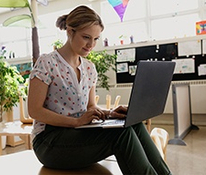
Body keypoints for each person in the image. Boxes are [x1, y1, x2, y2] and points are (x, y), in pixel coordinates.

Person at [27, 5, 172, 175]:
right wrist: (76, 122)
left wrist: (109, 114)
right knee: (120, 136)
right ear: (69, 31)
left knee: (133, 124)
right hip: (49, 142)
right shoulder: (47, 63)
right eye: (86, 37)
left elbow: (90, 107)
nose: (91, 44)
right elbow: (34, 111)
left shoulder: (89, 68)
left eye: (96, 39)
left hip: (78, 134)